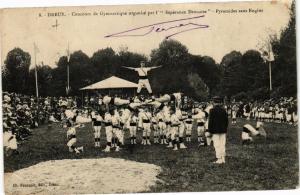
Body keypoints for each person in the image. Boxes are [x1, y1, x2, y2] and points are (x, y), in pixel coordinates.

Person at [208, 96, 228, 164]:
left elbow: (210, 122)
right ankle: (223, 158)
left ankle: (219, 159)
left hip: (215, 130)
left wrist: (210, 131)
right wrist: (225, 128)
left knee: (217, 144)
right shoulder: (224, 110)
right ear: (220, 103)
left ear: (214, 102)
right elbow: (226, 121)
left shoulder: (212, 110)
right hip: (223, 130)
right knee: (223, 144)